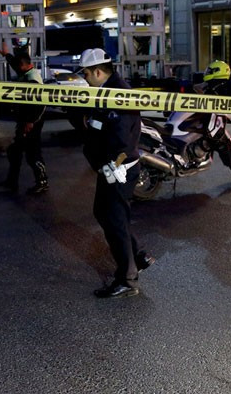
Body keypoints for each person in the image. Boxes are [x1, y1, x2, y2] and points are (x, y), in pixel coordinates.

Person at [77, 48, 155, 299]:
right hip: (113, 167)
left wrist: (111, 167)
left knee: (114, 220)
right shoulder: (108, 90)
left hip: (118, 168)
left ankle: (127, 278)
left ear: (98, 72)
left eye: (86, 73)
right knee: (107, 214)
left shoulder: (118, 95)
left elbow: (123, 142)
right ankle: (138, 257)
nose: (85, 78)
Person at [0, 43, 49, 194]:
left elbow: (40, 104)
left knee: (33, 154)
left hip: (32, 122)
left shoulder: (33, 79)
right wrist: (6, 55)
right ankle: (12, 181)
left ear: (24, 65)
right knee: (15, 152)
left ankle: (42, 182)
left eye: (19, 67)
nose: (16, 69)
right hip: (25, 120)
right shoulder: (25, 70)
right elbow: (15, 63)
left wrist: (31, 122)